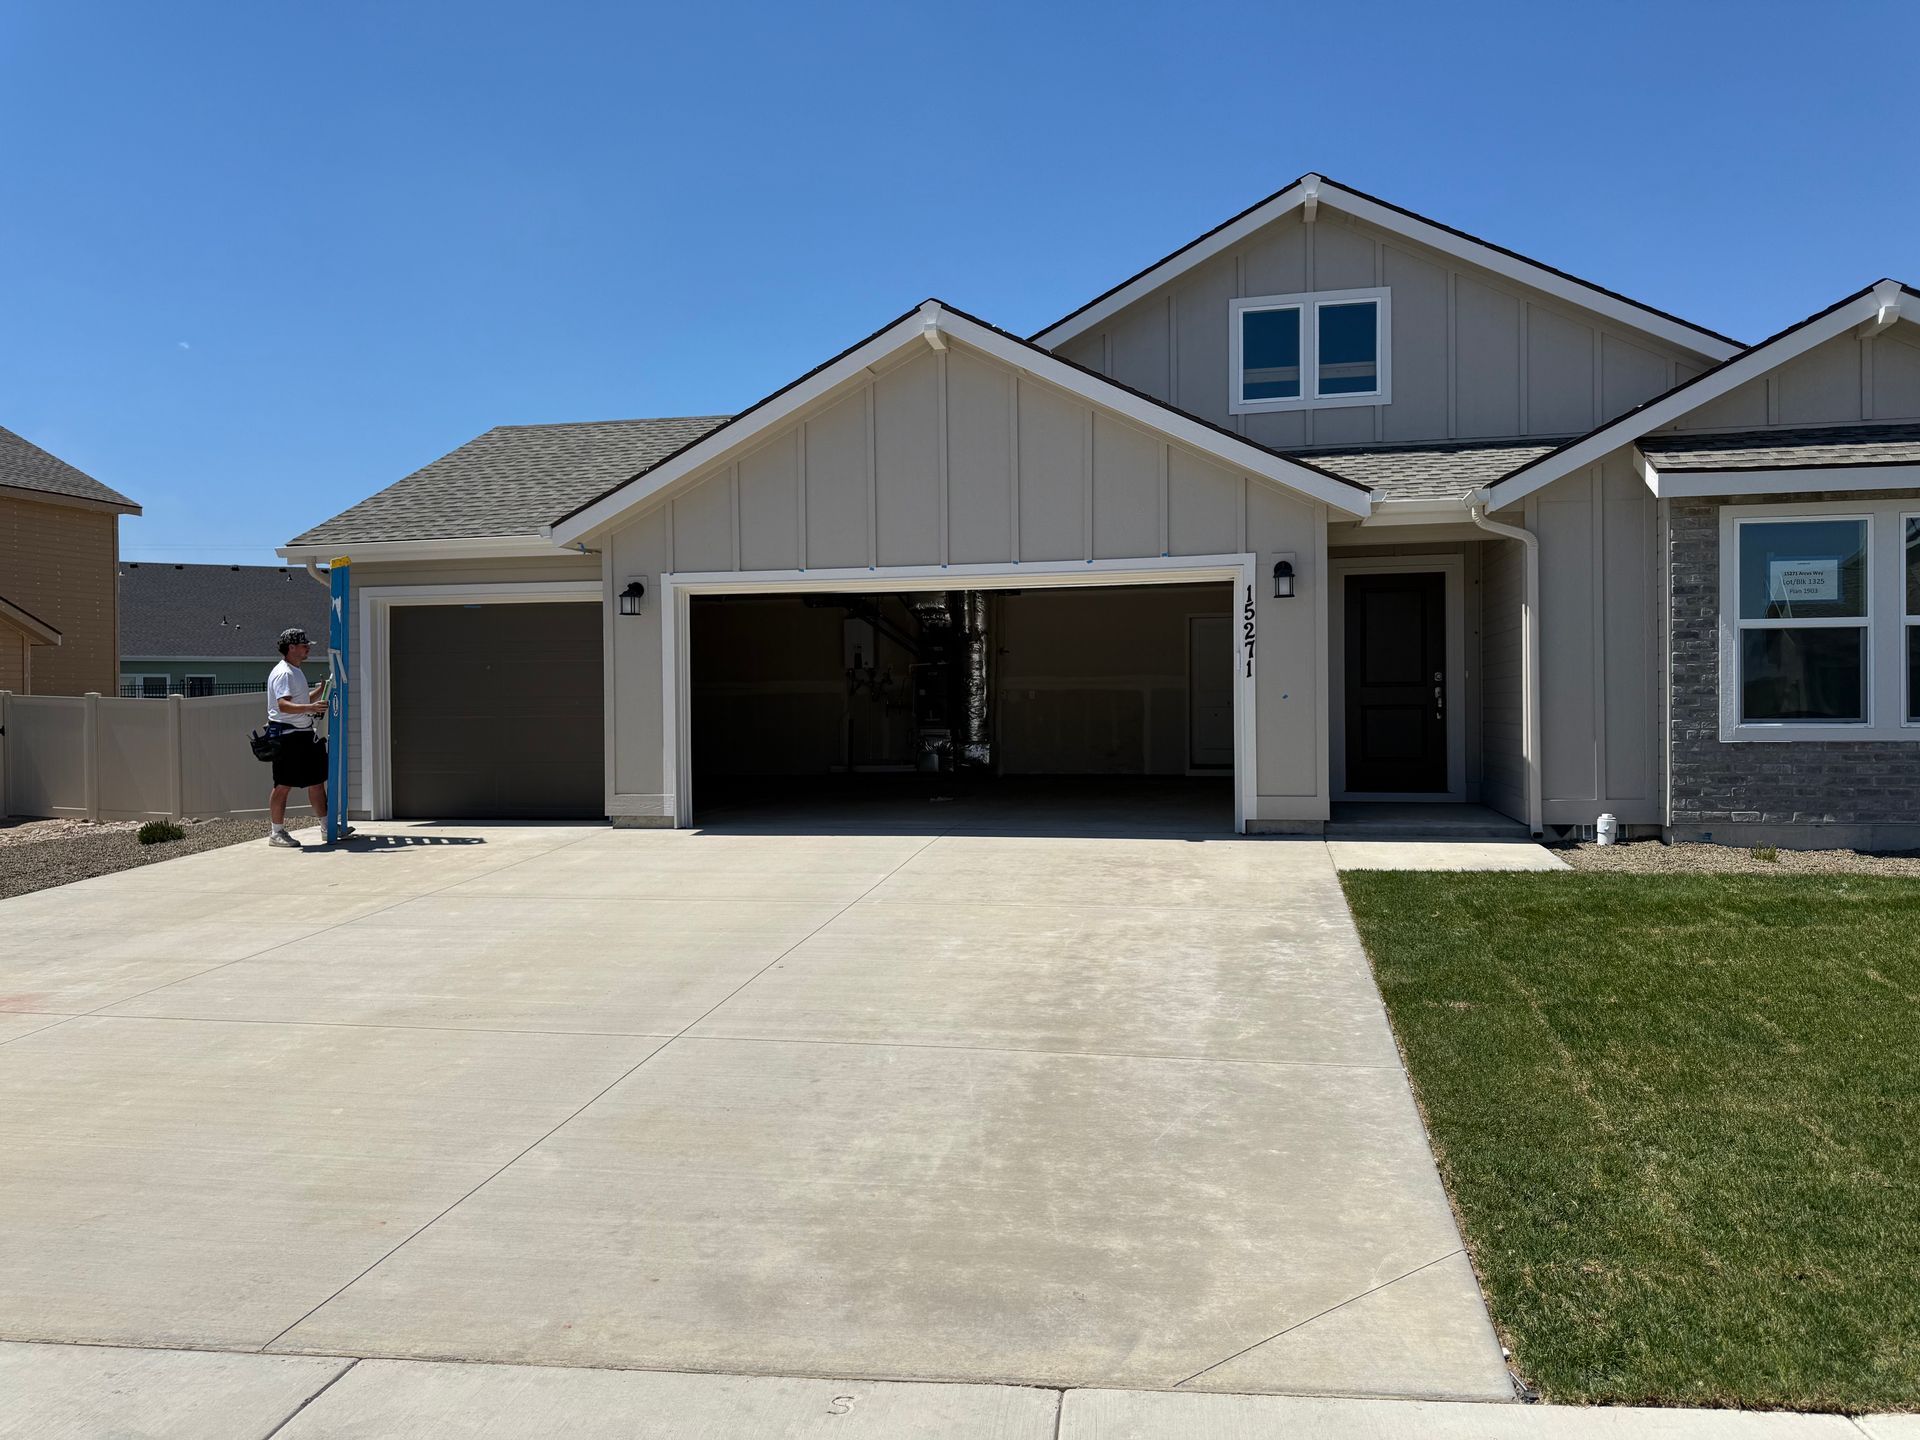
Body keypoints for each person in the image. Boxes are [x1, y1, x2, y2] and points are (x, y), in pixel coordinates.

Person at [264, 627, 350, 847]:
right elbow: (283, 705)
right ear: (291, 647)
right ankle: (276, 832)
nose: (307, 648)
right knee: (283, 784)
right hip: (287, 737)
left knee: (316, 781)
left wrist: (321, 691)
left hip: (304, 735)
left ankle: (326, 827)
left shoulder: (296, 670)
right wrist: (311, 706)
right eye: (304, 645)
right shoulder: (284, 673)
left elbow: (297, 700)